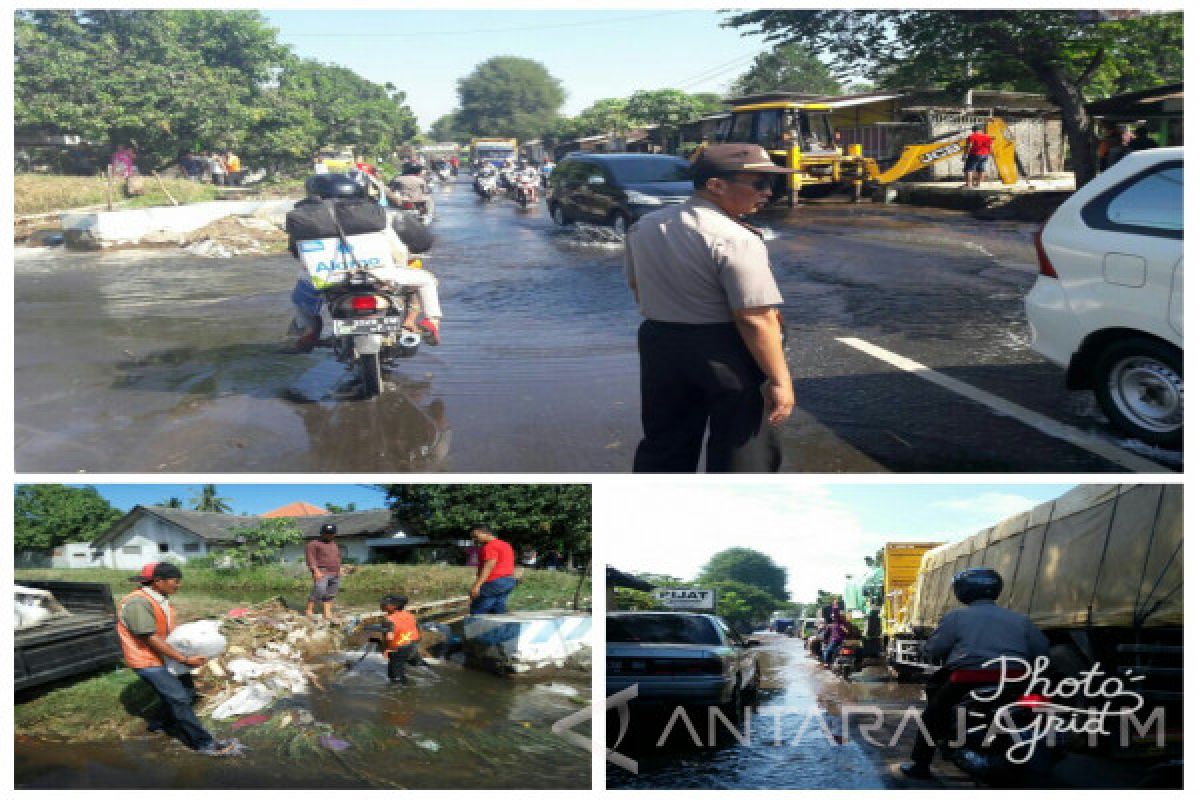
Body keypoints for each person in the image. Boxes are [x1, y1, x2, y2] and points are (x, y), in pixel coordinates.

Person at [624, 143, 797, 473]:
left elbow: (636, 286)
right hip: (726, 350)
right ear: (716, 186)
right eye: (760, 184)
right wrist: (780, 380)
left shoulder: (645, 226)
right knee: (743, 450)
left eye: (772, 184)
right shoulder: (735, 238)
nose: (768, 193)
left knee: (665, 444)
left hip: (661, 343)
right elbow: (755, 319)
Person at [900, 567, 1050, 780]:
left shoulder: (956, 617)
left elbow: (933, 649)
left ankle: (920, 765)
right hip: (1016, 681)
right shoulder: (1020, 619)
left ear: (963, 591)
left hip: (967, 680)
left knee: (933, 715)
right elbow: (1042, 649)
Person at [286, 173, 443, 352]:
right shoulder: (376, 215)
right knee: (426, 280)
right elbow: (404, 248)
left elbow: (297, 253)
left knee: (300, 296)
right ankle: (431, 321)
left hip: (327, 277)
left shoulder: (305, 221)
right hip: (378, 274)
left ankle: (310, 330)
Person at [116, 562, 238, 756]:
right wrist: (184, 659)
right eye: (175, 581)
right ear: (158, 581)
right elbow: (149, 637)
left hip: (165, 657)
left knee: (187, 692)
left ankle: (161, 724)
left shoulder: (159, 598)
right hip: (147, 660)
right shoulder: (138, 603)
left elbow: (165, 631)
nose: (178, 585)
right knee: (179, 698)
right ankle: (203, 744)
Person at [468, 526, 517, 614]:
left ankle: (475, 627)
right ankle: (499, 627)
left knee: (478, 610)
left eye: (476, 536)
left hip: (493, 582)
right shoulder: (505, 544)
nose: (474, 539)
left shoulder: (489, 547)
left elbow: (488, 567)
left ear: (487, 533)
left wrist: (476, 585)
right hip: (509, 581)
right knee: (497, 609)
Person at [376, 595, 422, 685]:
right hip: (413, 644)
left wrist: (387, 649)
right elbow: (418, 630)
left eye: (385, 603)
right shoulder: (410, 615)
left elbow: (389, 637)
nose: (381, 604)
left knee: (395, 676)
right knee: (415, 662)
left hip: (399, 648)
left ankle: (403, 694)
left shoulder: (388, 619)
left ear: (394, 606)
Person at [304, 523, 342, 620]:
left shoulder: (334, 544)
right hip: (322, 571)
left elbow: (337, 557)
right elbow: (310, 558)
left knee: (331, 593)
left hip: (335, 572)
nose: (329, 535)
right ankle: (308, 610)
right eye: (327, 533)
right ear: (322, 533)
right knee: (319, 590)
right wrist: (315, 570)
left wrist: (340, 569)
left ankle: (327, 612)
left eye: (331, 533)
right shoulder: (313, 544)